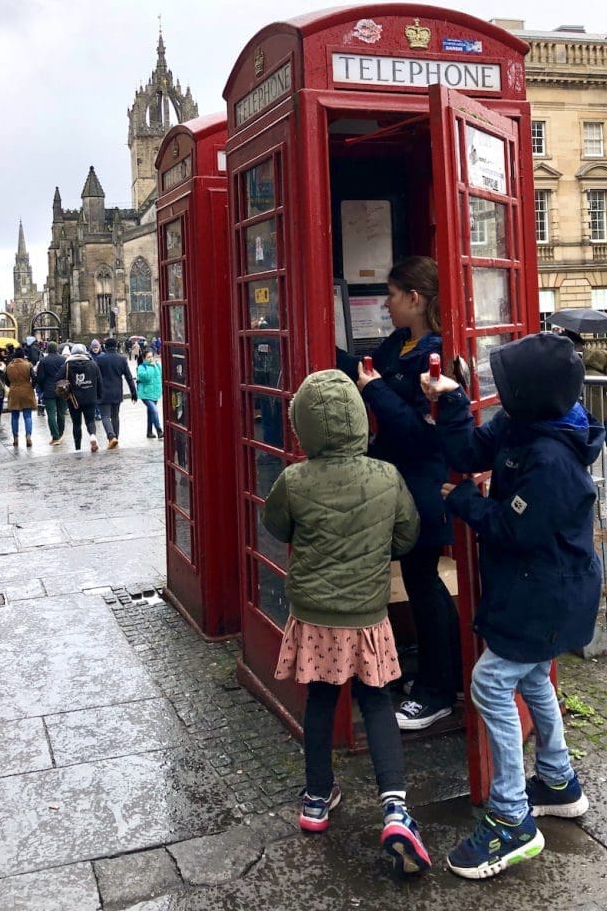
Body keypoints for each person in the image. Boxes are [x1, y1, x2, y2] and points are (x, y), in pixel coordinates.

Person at [420, 332, 604, 879]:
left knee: (491, 682)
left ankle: (511, 821)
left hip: (549, 593)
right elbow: (467, 451)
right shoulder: (522, 424)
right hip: (534, 588)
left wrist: (469, 502)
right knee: (531, 681)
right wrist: (449, 399)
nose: (500, 392)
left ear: (529, 394)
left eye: (507, 384)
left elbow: (514, 529)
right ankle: (556, 780)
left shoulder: (552, 460)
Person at [262, 369, 430, 875]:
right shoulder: (385, 476)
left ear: (304, 427)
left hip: (314, 618)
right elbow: (407, 537)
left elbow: (274, 526)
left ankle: (316, 799)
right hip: (367, 615)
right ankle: (396, 807)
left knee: (319, 700)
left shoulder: (294, 478)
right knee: (376, 701)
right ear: (359, 419)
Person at [339, 255, 461, 730]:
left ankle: (436, 693)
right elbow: (367, 368)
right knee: (422, 582)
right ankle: (444, 676)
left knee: (424, 583)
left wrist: (373, 391)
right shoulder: (400, 343)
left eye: (391, 295)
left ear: (413, 298)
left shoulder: (433, 354)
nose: (385, 304)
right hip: (399, 483)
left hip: (425, 486)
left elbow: (418, 432)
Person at [57, 343, 103, 452]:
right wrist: (99, 395)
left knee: (76, 423)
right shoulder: (93, 364)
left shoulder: (66, 365)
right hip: (90, 398)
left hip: (73, 400)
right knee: (90, 421)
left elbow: (57, 379)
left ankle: (78, 447)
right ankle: (92, 436)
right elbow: (99, 381)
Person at [95, 337, 137, 448]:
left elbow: (95, 377)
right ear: (116, 346)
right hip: (117, 392)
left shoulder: (99, 359)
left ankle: (111, 436)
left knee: (105, 416)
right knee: (115, 416)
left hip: (103, 392)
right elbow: (129, 377)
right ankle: (116, 438)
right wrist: (133, 392)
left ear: (105, 346)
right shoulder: (122, 359)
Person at [35, 341, 66, 445]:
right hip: (62, 389)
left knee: (51, 414)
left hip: (49, 390)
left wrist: (41, 388)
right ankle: (60, 434)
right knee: (61, 413)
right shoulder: (64, 359)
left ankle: (55, 436)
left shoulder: (44, 361)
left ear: (47, 349)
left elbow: (40, 378)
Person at [5, 350, 37, 447]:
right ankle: (28, 436)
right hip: (26, 390)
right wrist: (32, 386)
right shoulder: (28, 365)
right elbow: (34, 377)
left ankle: (15, 437)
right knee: (28, 415)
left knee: (14, 416)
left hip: (14, 390)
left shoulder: (9, 366)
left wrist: (12, 385)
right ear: (23, 356)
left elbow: (6, 380)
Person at [137, 348, 163, 439]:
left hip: (155, 393)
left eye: (152, 356)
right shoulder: (141, 367)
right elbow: (147, 378)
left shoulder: (157, 365)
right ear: (144, 359)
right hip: (145, 394)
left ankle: (149, 432)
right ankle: (159, 430)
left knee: (151, 412)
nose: (151, 359)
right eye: (148, 357)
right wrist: (151, 367)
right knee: (154, 411)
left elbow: (161, 378)